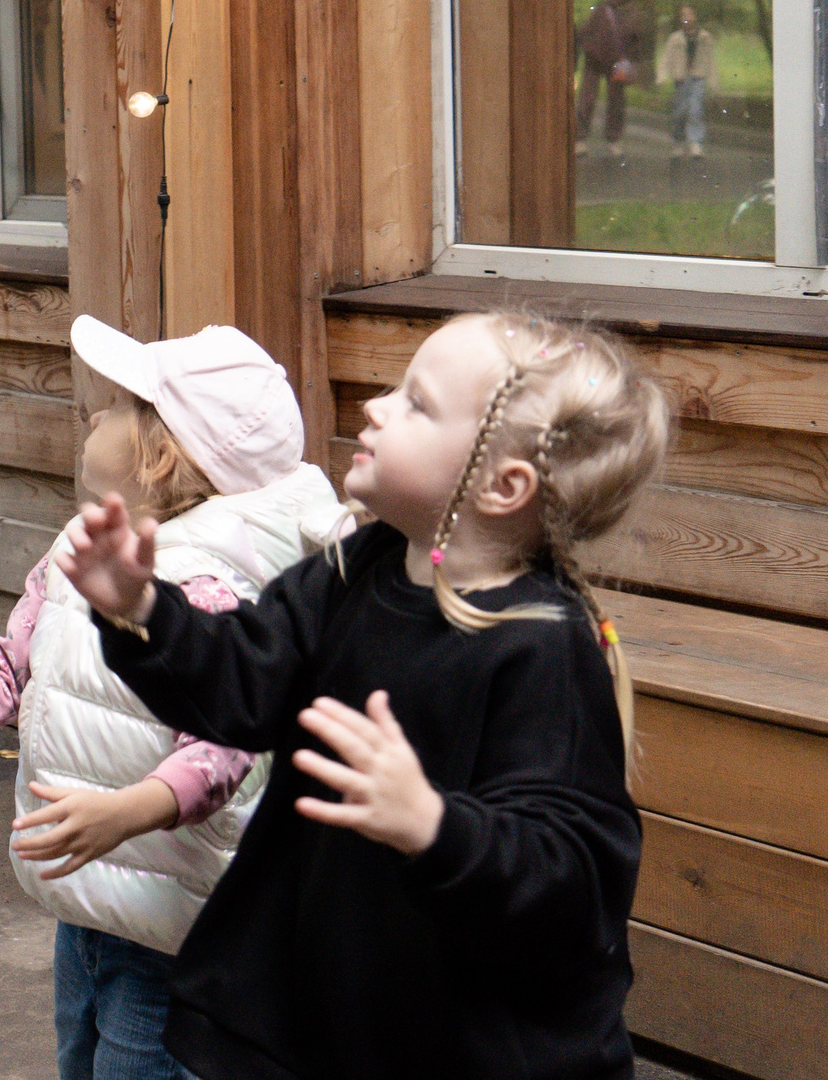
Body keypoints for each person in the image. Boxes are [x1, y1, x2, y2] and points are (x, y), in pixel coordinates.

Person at [59, 312, 669, 1080]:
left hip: (455, 1044)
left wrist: (434, 824)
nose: (377, 407)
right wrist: (143, 612)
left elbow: (571, 875)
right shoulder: (357, 569)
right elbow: (243, 682)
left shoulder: (543, 647)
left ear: (503, 484)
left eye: (417, 402)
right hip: (323, 1012)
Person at [0, 320, 348, 1080]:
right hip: (93, 904)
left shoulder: (206, 588)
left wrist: (127, 811)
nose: (92, 416)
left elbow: (227, 745)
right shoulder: (79, 554)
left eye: (113, 405)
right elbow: (11, 670)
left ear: (161, 453)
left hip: (175, 926)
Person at [573, 0, 640, 156]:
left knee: (617, 102)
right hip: (595, 60)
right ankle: (579, 139)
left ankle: (614, 139)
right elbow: (586, 31)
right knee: (587, 99)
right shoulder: (602, 10)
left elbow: (635, 39)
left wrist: (630, 60)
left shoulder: (632, 13)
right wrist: (589, 49)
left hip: (618, 63)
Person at [657, 4, 718, 157]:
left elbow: (710, 59)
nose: (687, 18)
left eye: (689, 15)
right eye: (683, 16)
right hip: (681, 78)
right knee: (680, 112)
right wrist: (662, 76)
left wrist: (714, 80)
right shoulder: (675, 38)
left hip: (698, 77)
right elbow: (666, 58)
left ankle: (695, 142)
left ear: (695, 17)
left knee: (695, 109)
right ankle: (678, 141)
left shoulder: (704, 37)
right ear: (680, 19)